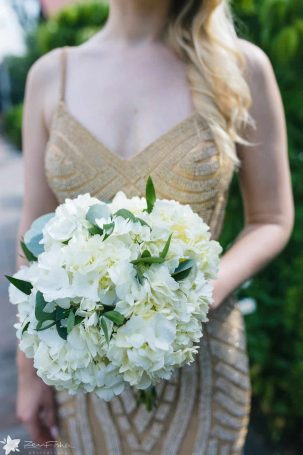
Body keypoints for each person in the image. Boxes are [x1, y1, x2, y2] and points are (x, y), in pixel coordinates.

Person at [15, 0, 294, 453]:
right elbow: (33, 236)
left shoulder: (241, 67)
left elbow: (272, 218)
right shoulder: (51, 75)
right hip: (87, 377)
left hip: (202, 366)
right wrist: (30, 374)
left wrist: (198, 292)